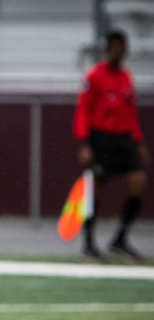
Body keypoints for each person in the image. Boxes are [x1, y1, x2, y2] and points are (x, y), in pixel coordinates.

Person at [74, 29, 148, 263]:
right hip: (101, 138)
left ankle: (120, 239)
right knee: (95, 190)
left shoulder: (126, 77)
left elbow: (131, 112)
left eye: (123, 47)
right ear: (108, 48)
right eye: (116, 46)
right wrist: (85, 143)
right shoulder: (95, 76)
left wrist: (138, 142)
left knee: (138, 183)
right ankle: (88, 244)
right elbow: (83, 110)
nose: (120, 51)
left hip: (125, 139)